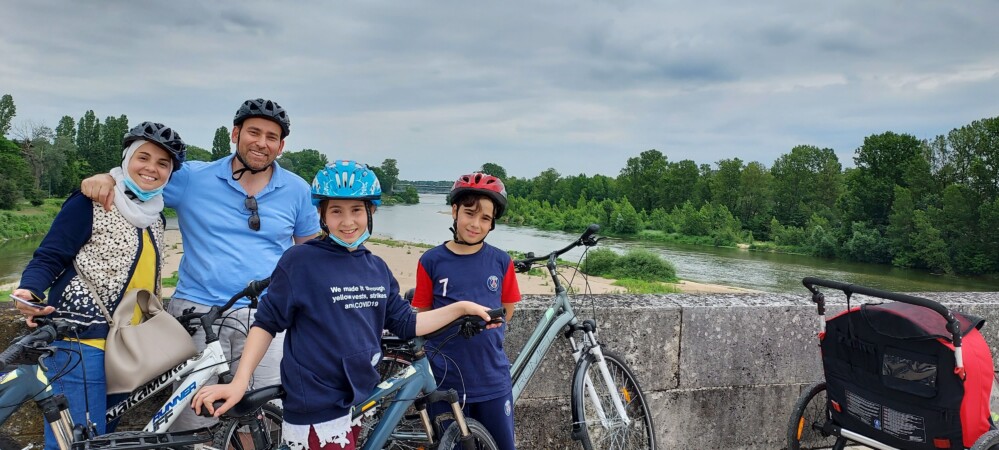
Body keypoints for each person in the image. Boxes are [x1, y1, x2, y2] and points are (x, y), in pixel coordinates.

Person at [191, 160, 498, 450]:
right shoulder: (301, 261)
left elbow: (406, 322)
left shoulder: (376, 267)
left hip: (357, 399)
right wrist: (239, 382)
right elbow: (267, 323)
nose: (348, 221)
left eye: (356, 210)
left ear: (371, 212)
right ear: (322, 216)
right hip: (317, 407)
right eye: (336, 211)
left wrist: (461, 308)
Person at [80, 98, 320, 431]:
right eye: (253, 132)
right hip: (199, 313)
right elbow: (144, 177)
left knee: (264, 418)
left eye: (271, 136)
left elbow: (309, 257)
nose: (261, 143)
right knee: (191, 419)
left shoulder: (297, 190)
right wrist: (107, 178)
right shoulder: (193, 177)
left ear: (281, 146)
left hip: (269, 316)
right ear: (235, 134)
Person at [13, 122, 186, 449]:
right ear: (126, 158)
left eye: (163, 164)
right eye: (143, 157)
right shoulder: (90, 201)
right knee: (76, 440)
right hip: (81, 342)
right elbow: (51, 254)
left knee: (107, 437)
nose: (152, 168)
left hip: (130, 345)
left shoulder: (156, 218)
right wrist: (30, 290)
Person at [410, 172, 521, 450]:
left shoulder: (501, 261)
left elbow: (507, 310)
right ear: (454, 211)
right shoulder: (431, 261)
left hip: (492, 378)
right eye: (470, 213)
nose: (476, 224)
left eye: (485, 218)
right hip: (445, 381)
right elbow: (422, 316)